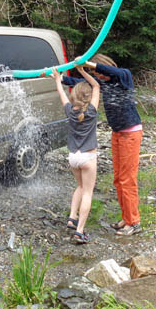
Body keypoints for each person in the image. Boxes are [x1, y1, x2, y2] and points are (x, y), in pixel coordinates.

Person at [62, 54, 143, 236]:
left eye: (98, 72)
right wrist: (59, 77)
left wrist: (89, 63)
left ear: (105, 67)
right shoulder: (104, 84)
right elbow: (77, 81)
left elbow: (114, 71)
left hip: (130, 133)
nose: (98, 77)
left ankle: (134, 222)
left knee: (127, 179)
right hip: (117, 134)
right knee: (118, 179)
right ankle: (127, 218)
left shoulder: (124, 77)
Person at [49, 66, 100, 244]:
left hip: (73, 158)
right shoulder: (91, 111)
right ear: (88, 98)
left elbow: (60, 92)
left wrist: (57, 78)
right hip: (87, 157)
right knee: (88, 192)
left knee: (79, 186)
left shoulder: (70, 110)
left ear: (74, 96)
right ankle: (79, 231)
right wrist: (82, 69)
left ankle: (72, 217)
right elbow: (96, 86)